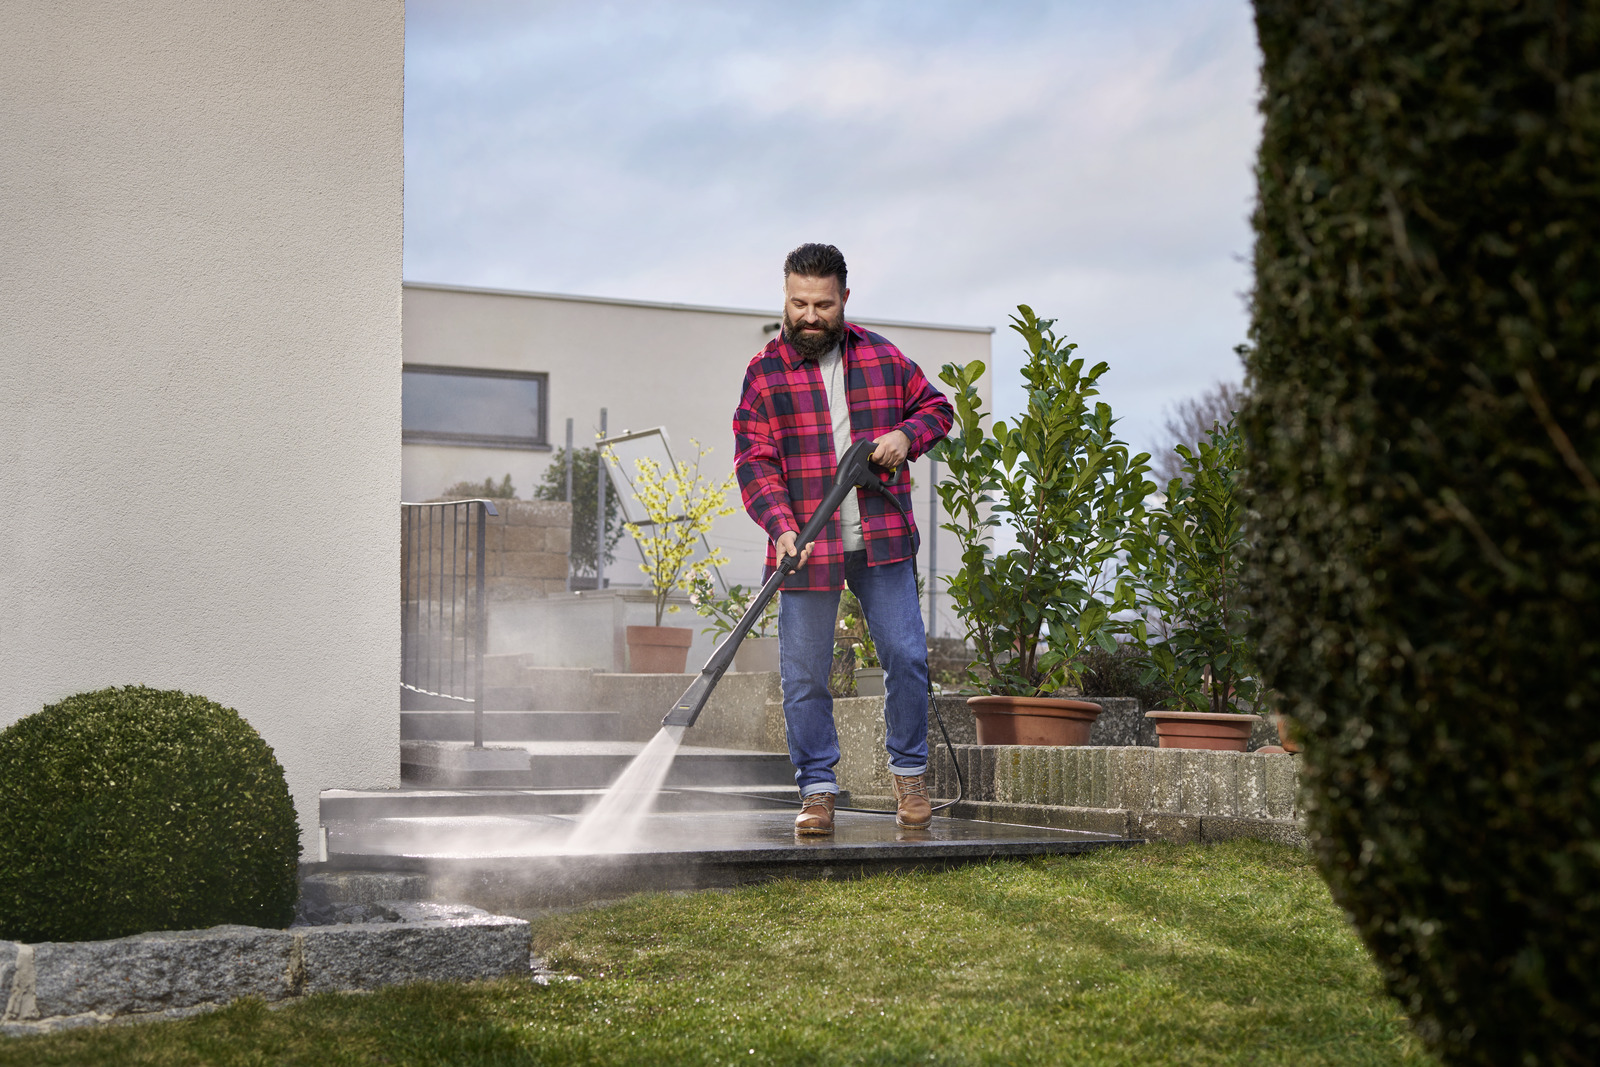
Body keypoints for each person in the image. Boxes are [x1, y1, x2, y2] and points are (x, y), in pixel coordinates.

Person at [732, 243, 954, 835]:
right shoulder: (765, 373)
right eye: (798, 303)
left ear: (845, 299)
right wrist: (782, 526)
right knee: (805, 674)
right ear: (785, 297)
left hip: (882, 539)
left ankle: (909, 775)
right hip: (806, 544)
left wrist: (906, 436)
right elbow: (754, 461)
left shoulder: (882, 357)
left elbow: (937, 408)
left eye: (822, 305)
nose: (809, 316)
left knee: (907, 657)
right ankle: (817, 790)